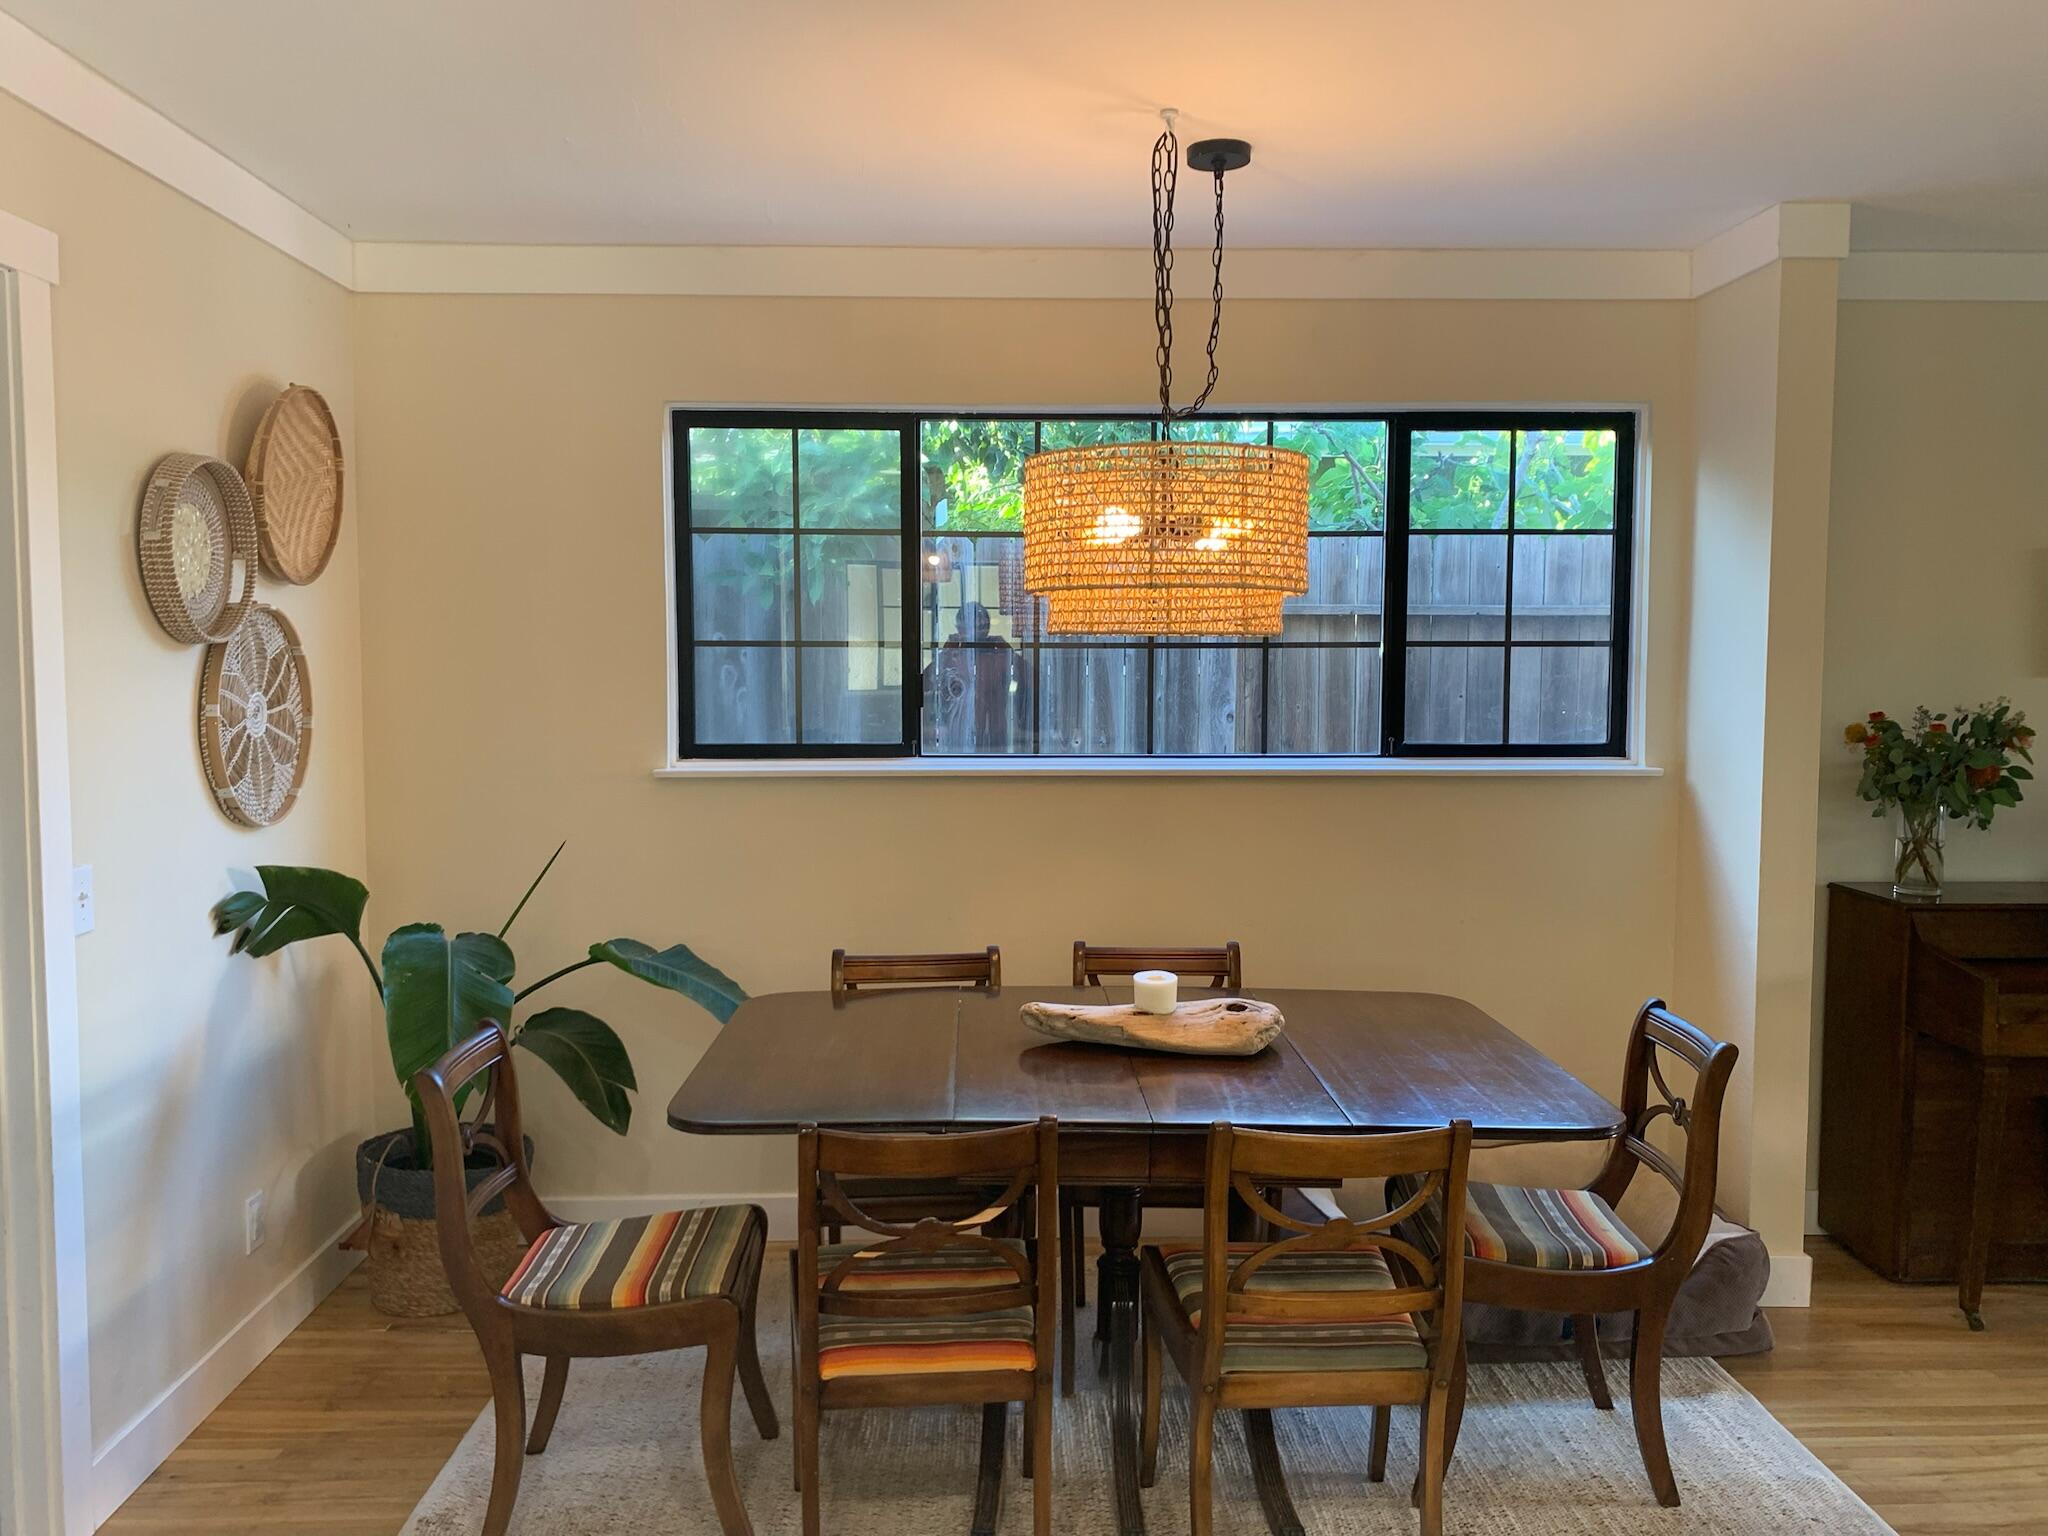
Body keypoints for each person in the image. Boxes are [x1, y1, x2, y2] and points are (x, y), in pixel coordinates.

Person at [923, 601, 1028, 751]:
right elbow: (923, 684)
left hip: (995, 735)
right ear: (959, 628)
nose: (976, 632)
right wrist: (946, 652)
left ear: (988, 628)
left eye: (982, 626)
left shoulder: (998, 653)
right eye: (970, 627)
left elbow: (1031, 679)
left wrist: (1007, 651)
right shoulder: (951, 655)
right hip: (959, 734)